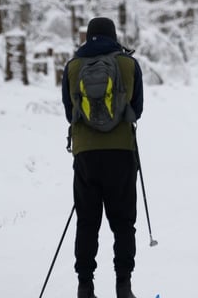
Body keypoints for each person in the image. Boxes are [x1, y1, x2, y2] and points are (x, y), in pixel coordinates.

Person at [62, 17, 144, 298]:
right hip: (121, 152)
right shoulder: (128, 64)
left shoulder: (73, 67)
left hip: (86, 155)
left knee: (87, 222)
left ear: (88, 37)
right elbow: (138, 108)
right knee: (123, 223)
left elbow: (68, 111)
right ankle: (124, 286)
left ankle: (85, 286)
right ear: (114, 36)